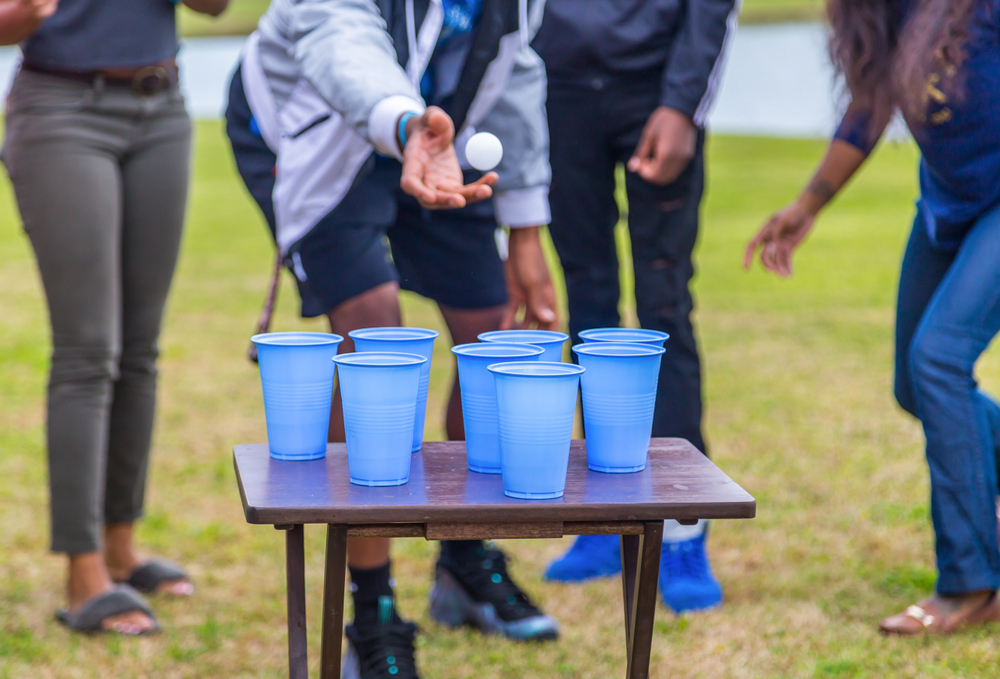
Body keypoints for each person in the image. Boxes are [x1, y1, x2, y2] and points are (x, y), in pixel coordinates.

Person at [225, 1, 559, 675]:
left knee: (491, 334)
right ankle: (371, 607)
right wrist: (404, 121)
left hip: (436, 138)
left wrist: (524, 226)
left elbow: (514, 65)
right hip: (313, 129)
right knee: (377, 336)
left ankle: (465, 560)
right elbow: (338, 38)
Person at [745, 0, 1000, 635]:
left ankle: (970, 583)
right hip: (949, 205)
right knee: (915, 387)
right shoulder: (880, 12)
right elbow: (867, 110)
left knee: (938, 359)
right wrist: (807, 207)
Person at [0, 0, 230, 635]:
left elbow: (215, 7)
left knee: (139, 350)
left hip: (162, 105)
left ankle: (122, 547)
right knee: (86, 352)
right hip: (63, 112)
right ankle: (83, 572)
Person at [531, 0, 738, 613]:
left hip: (654, 86)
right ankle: (604, 516)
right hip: (559, 88)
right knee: (586, 304)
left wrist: (681, 103)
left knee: (663, 309)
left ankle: (681, 528)